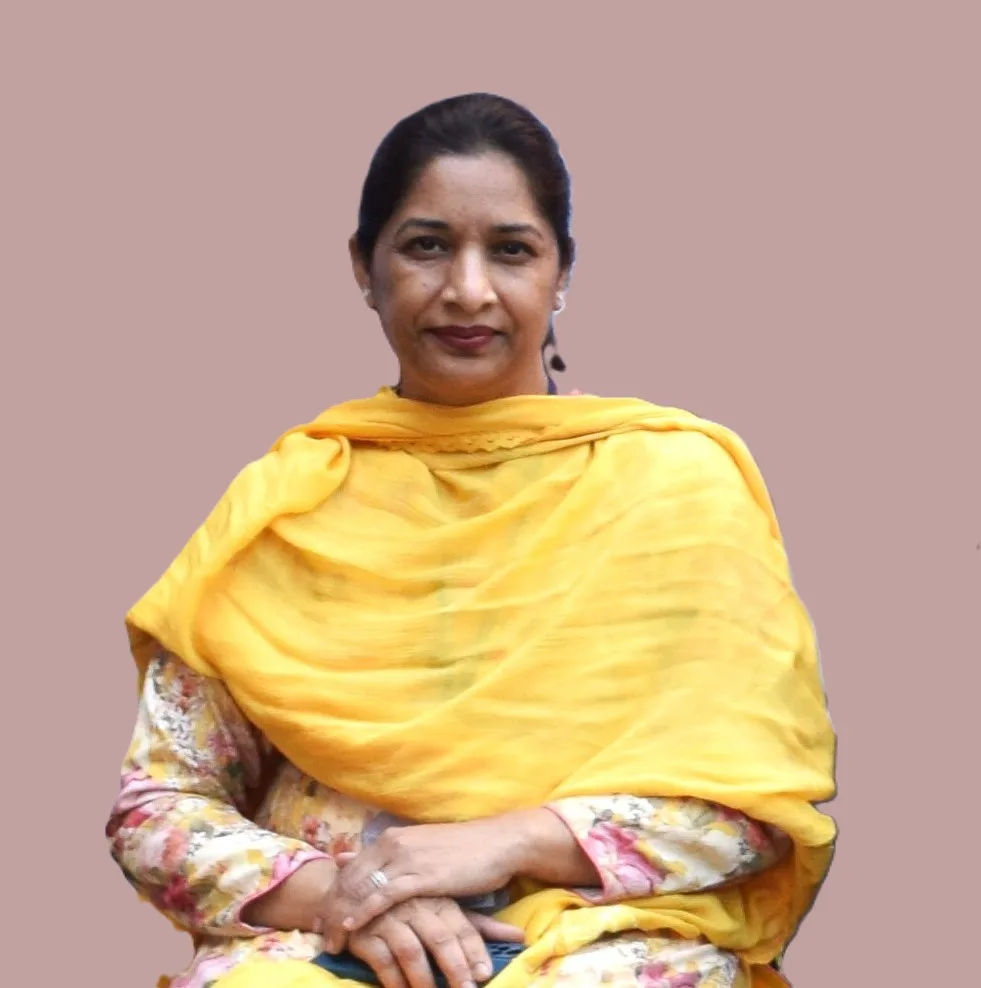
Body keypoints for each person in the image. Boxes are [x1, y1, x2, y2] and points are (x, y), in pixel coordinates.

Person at [108, 93, 837, 988]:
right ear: (362, 268)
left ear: (561, 271)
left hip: (595, 942)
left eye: (511, 249)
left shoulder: (675, 486)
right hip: (324, 938)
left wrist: (507, 843)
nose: (467, 288)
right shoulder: (285, 505)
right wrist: (356, 893)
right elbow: (158, 808)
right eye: (424, 246)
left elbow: (755, 811)